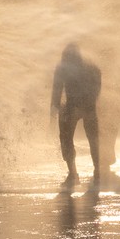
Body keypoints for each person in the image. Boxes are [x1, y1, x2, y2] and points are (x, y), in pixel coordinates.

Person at [51, 43, 101, 188]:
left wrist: (54, 111)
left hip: (72, 106)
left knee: (66, 139)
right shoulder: (91, 67)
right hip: (88, 106)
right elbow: (97, 86)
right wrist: (92, 101)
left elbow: (56, 91)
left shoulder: (62, 68)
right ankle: (97, 172)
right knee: (93, 139)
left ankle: (73, 175)